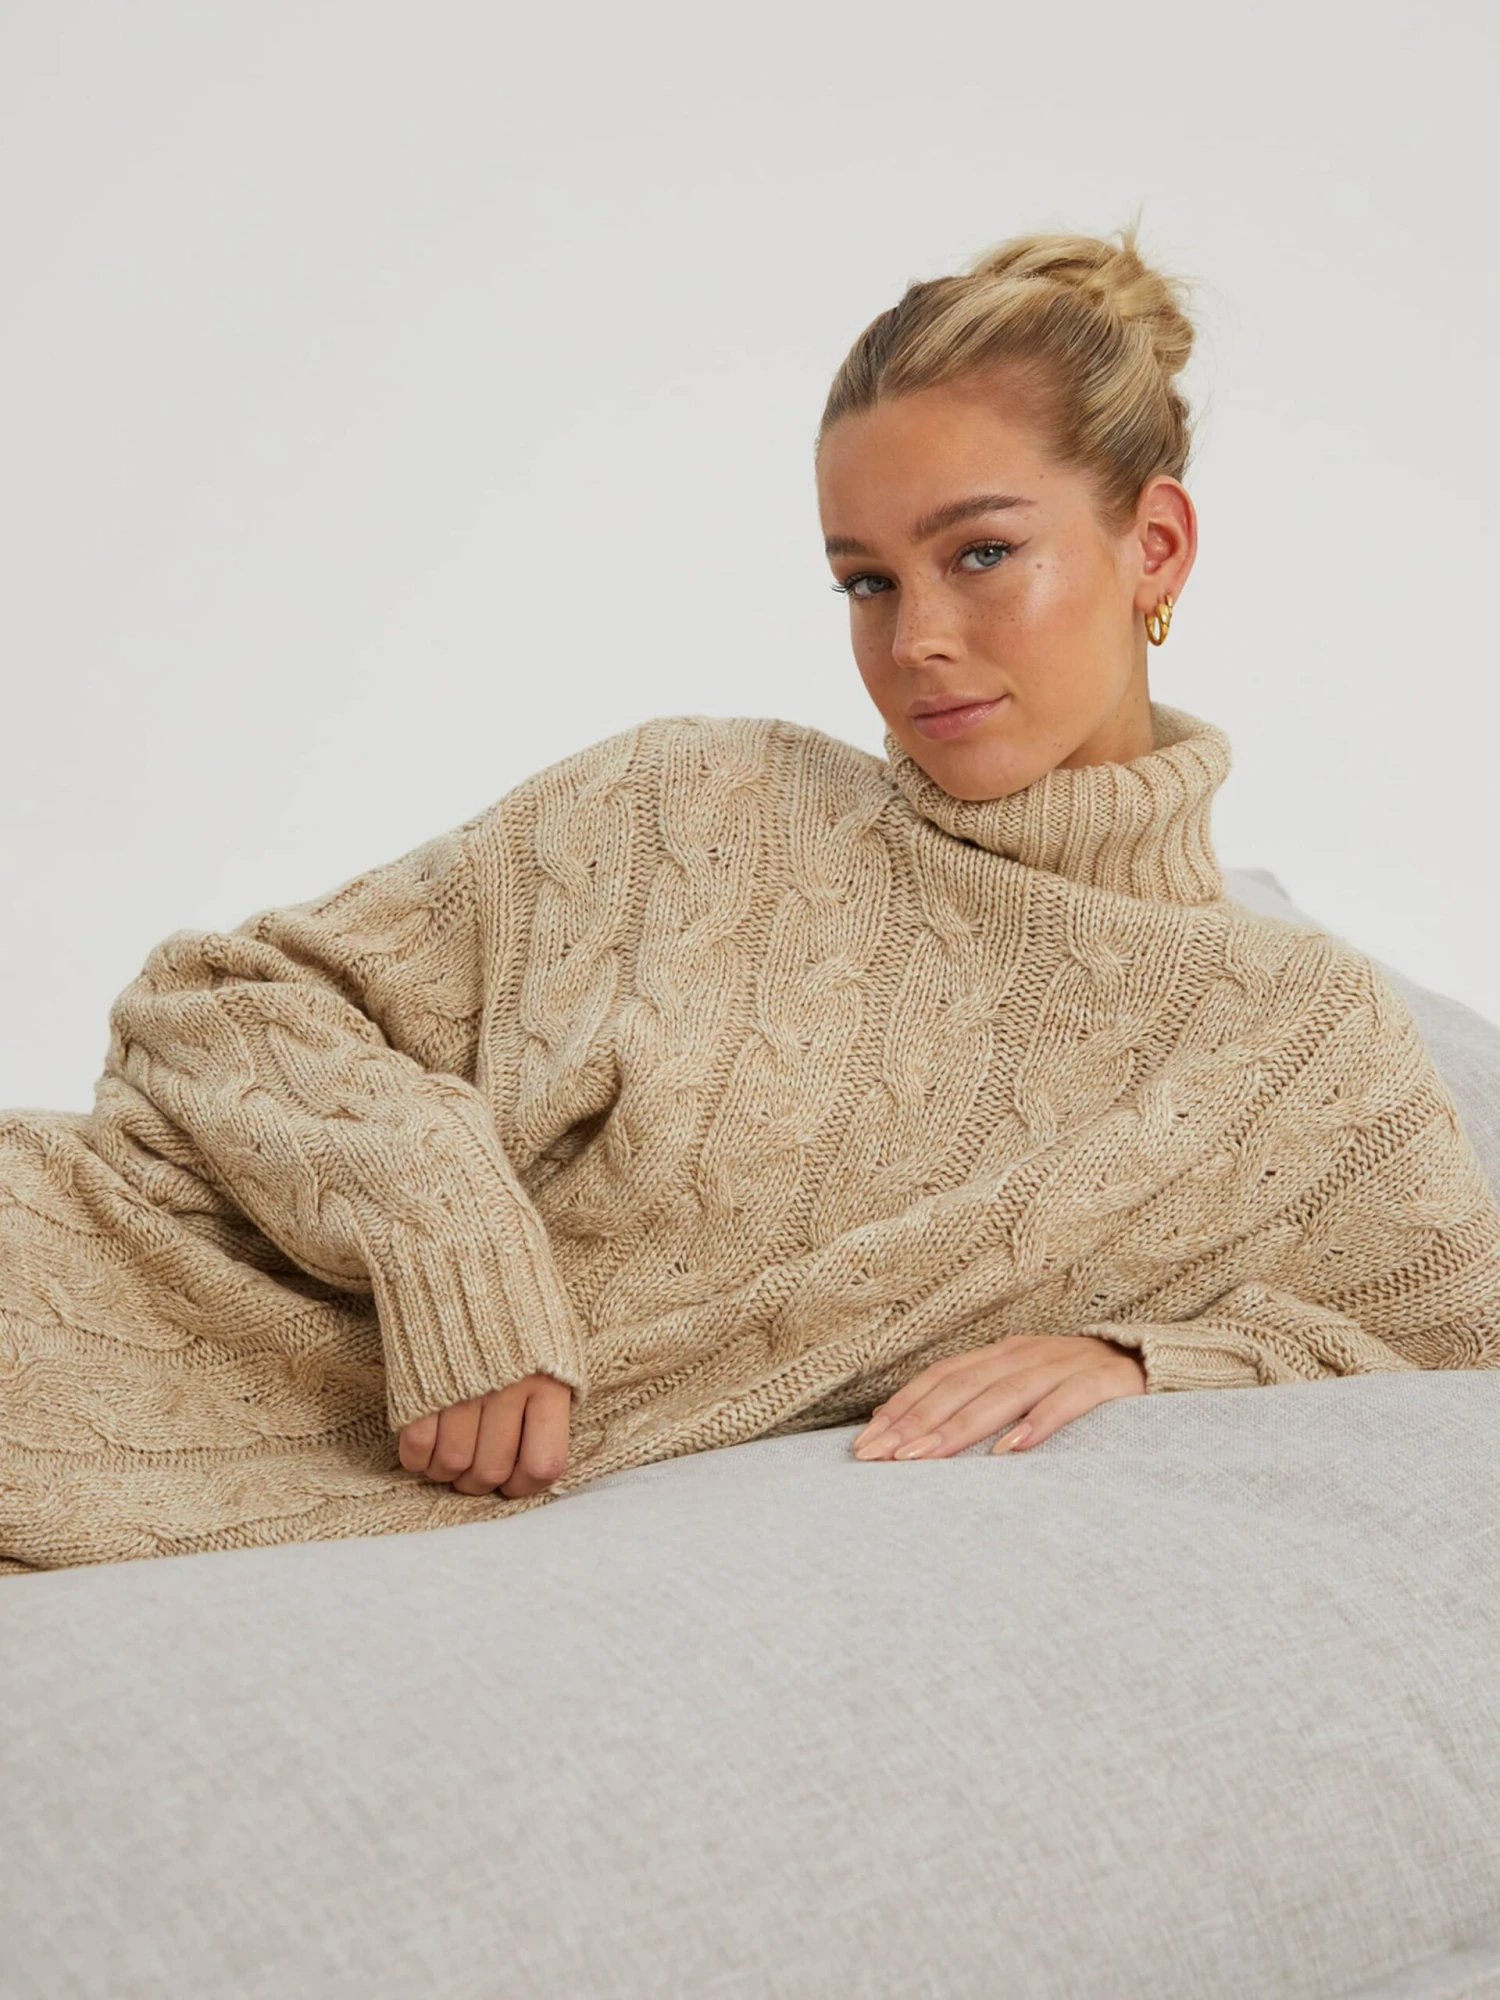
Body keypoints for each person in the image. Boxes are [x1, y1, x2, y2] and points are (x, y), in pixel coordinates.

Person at [4, 221, 1499, 1576]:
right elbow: (223, 1002)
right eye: (867, 581)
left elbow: (1448, 1333)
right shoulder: (703, 807)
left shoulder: (1297, 1042)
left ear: (1153, 547)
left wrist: (1143, 1360)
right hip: (73, 1270)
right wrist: (452, 1244)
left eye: (983, 554)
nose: (917, 640)